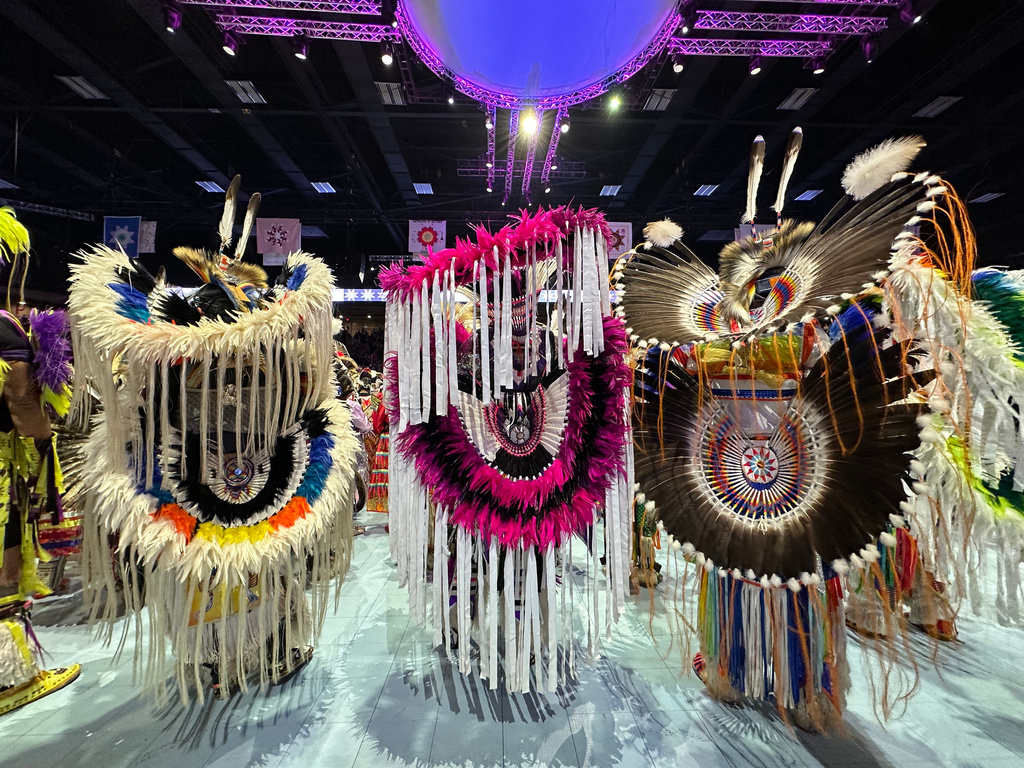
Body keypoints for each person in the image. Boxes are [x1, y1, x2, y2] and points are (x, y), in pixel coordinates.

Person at [0, 207, 79, 715]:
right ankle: (9, 676)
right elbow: (22, 401)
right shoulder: (4, 329)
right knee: (6, 568)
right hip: (3, 471)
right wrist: (42, 435)